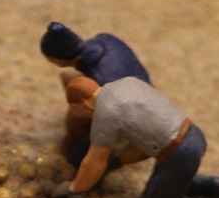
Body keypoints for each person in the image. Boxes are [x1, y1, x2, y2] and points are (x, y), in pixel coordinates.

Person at [55, 76, 219, 198]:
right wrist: (119, 160)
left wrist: (74, 187)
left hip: (177, 154)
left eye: (78, 111)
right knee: (166, 186)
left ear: (83, 104)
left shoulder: (105, 113)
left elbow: (95, 162)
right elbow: (143, 139)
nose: (82, 116)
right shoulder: (125, 84)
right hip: (192, 135)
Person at [40, 21, 151, 171]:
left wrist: (74, 163)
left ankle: (74, 149)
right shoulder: (105, 38)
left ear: (59, 60)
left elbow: (102, 130)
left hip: (133, 106)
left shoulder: (103, 83)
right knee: (70, 81)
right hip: (142, 82)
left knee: (75, 118)